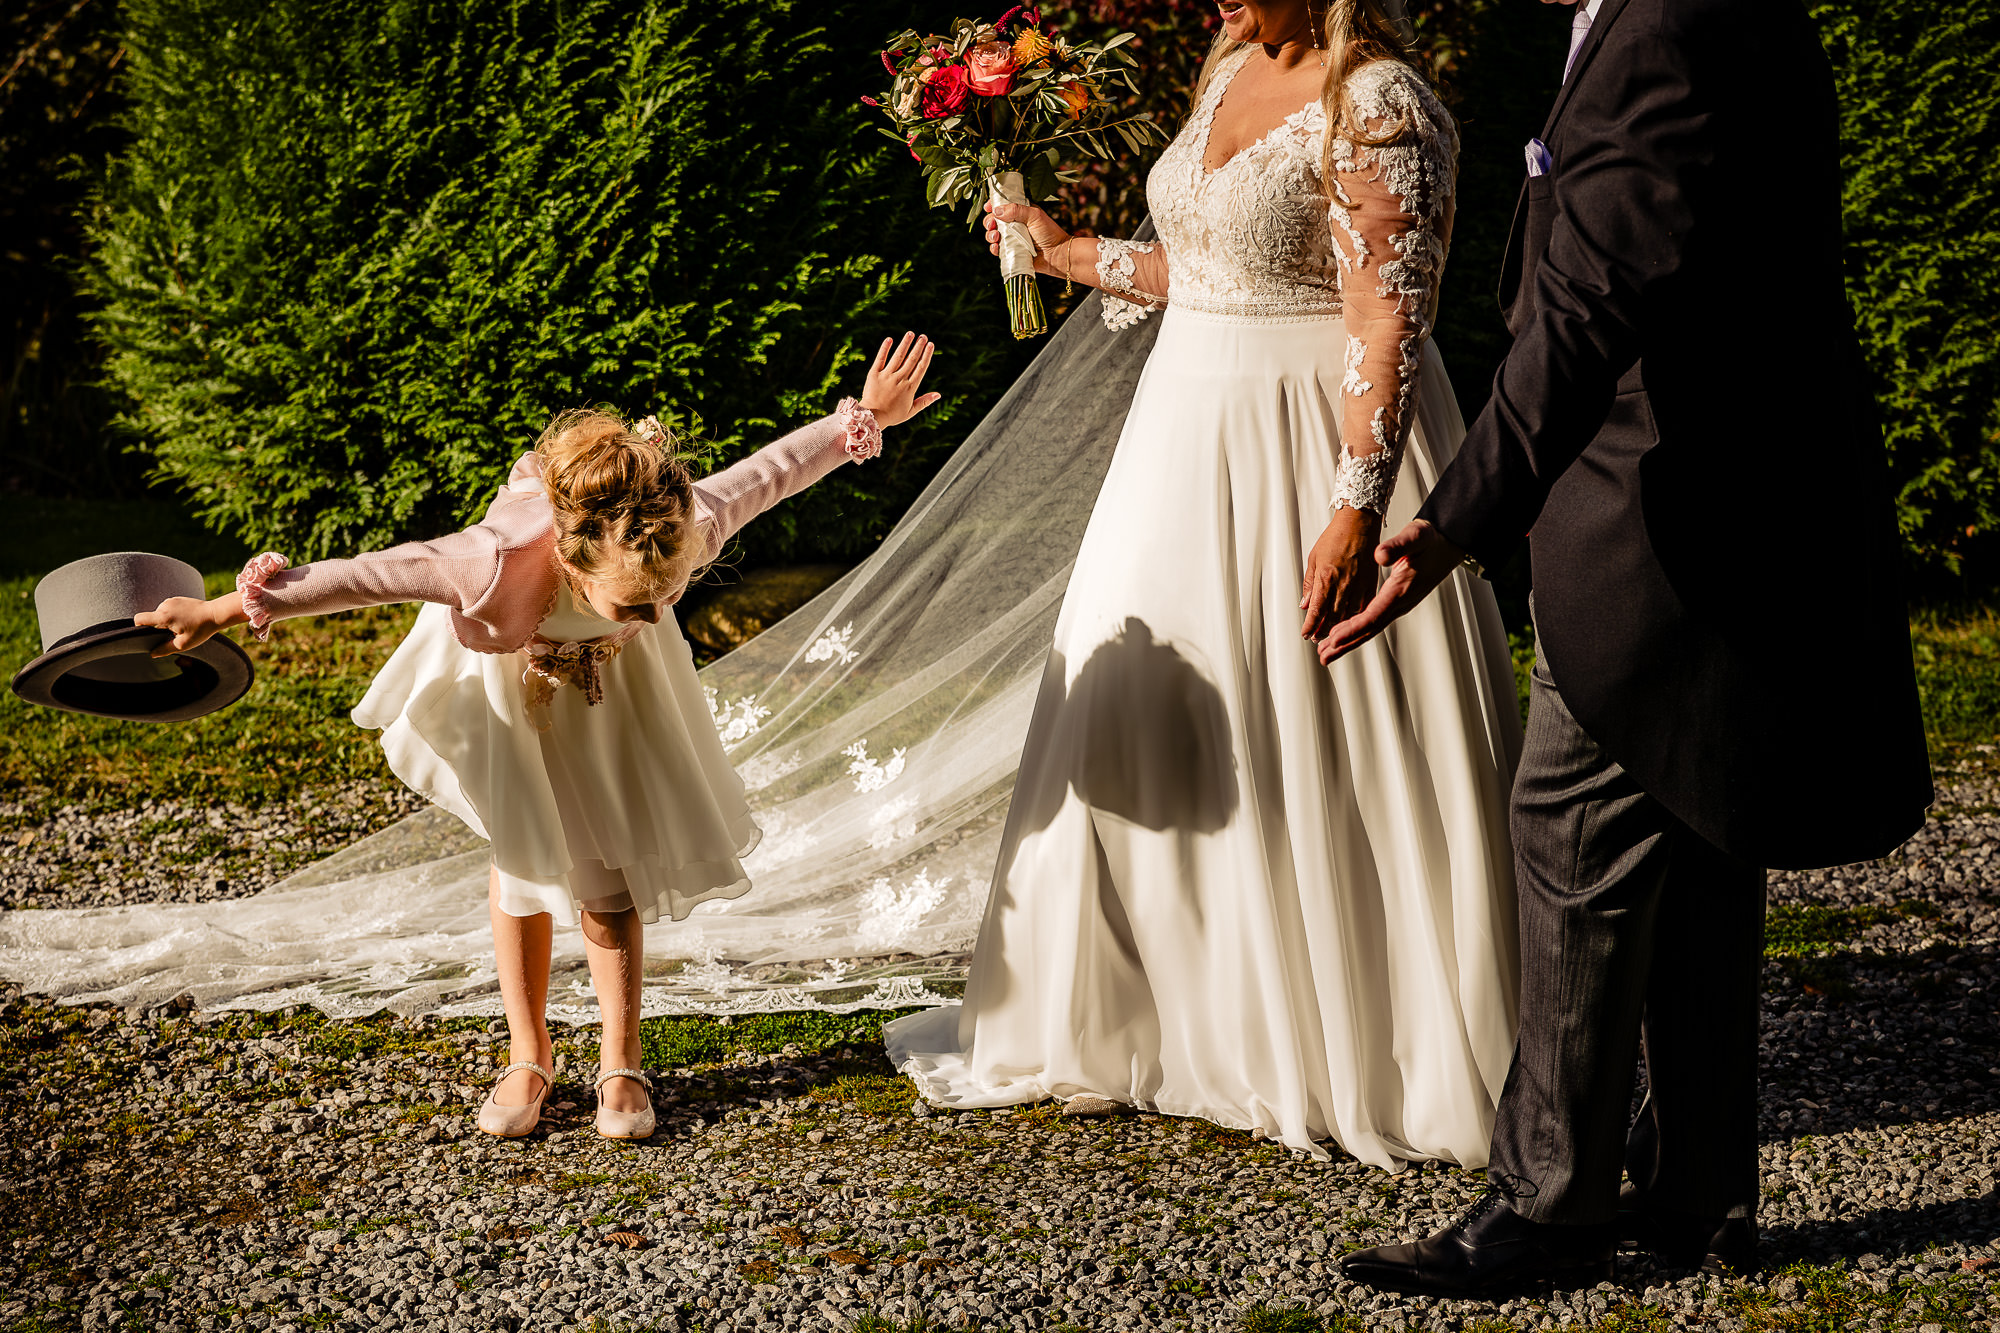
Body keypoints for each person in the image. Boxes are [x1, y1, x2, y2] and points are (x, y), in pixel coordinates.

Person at [1325, 0, 1933, 1295]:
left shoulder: (1659, 26)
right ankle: (1700, 1191)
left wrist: (1448, 518)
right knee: (1701, 829)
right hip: (1748, 505)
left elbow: (1589, 311)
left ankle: (1550, 1205)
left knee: (1567, 821)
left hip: (1664, 517)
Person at [884, 0, 1525, 1169]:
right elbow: (1203, 266)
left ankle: (1354, 1035)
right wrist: (1059, 248)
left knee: (1315, 723)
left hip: (1310, 442)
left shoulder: (1378, 102)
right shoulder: (1228, 64)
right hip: (1181, 437)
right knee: (1129, 719)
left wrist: (1354, 503)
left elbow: (1386, 317)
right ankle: (1142, 1015)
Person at [137, 334, 940, 1139]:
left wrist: (864, 419)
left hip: (620, 691)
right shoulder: (492, 559)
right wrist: (211, 612)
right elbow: (365, 574)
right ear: (573, 562)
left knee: (612, 861)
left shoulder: (673, 522)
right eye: (635, 604)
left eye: (664, 598)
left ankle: (620, 1059)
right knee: (523, 854)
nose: (656, 613)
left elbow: (768, 477)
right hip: (517, 688)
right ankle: (529, 1050)